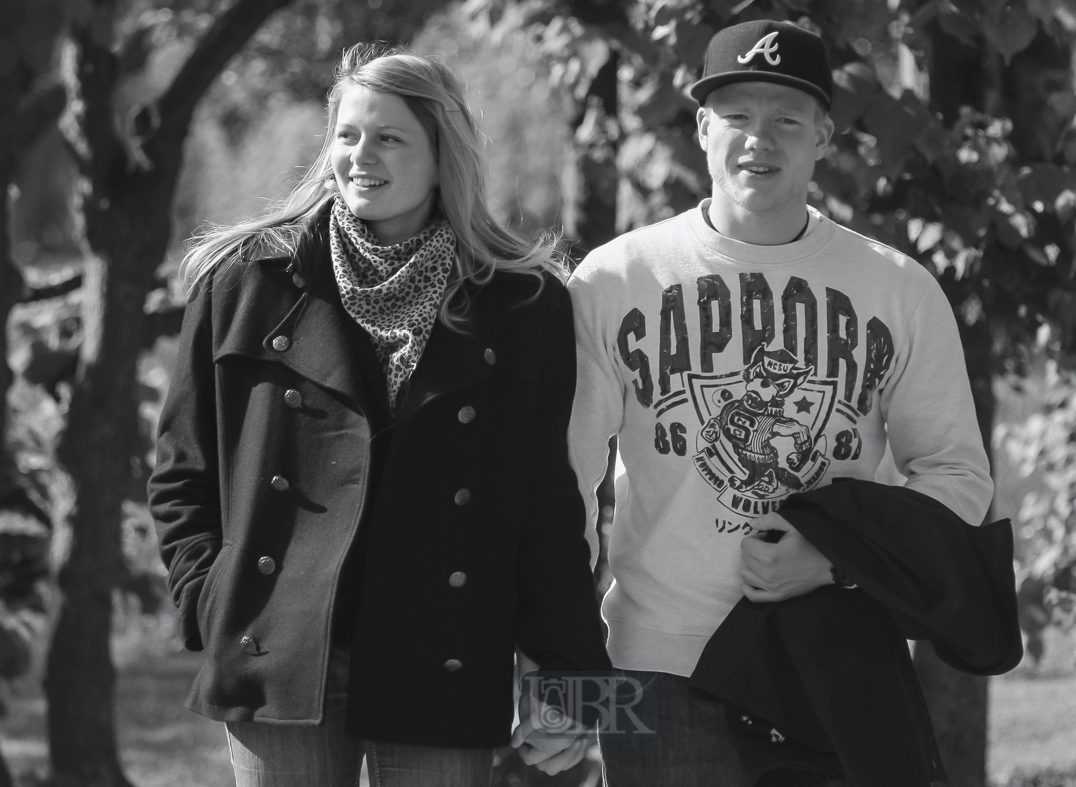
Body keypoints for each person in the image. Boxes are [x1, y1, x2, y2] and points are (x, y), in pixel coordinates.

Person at [149, 43, 609, 787]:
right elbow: (182, 469)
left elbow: (545, 507)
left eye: (390, 137)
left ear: (443, 155)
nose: (361, 156)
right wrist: (212, 600)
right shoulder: (244, 281)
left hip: (445, 657)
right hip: (281, 652)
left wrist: (568, 677)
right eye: (348, 135)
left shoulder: (524, 303)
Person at [567, 19, 999, 786]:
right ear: (702, 128)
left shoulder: (895, 287)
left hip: (828, 658)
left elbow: (958, 481)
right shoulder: (613, 279)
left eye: (786, 120)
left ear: (825, 136)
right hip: (653, 669)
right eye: (736, 117)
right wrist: (556, 688)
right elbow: (558, 492)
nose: (757, 140)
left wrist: (837, 561)